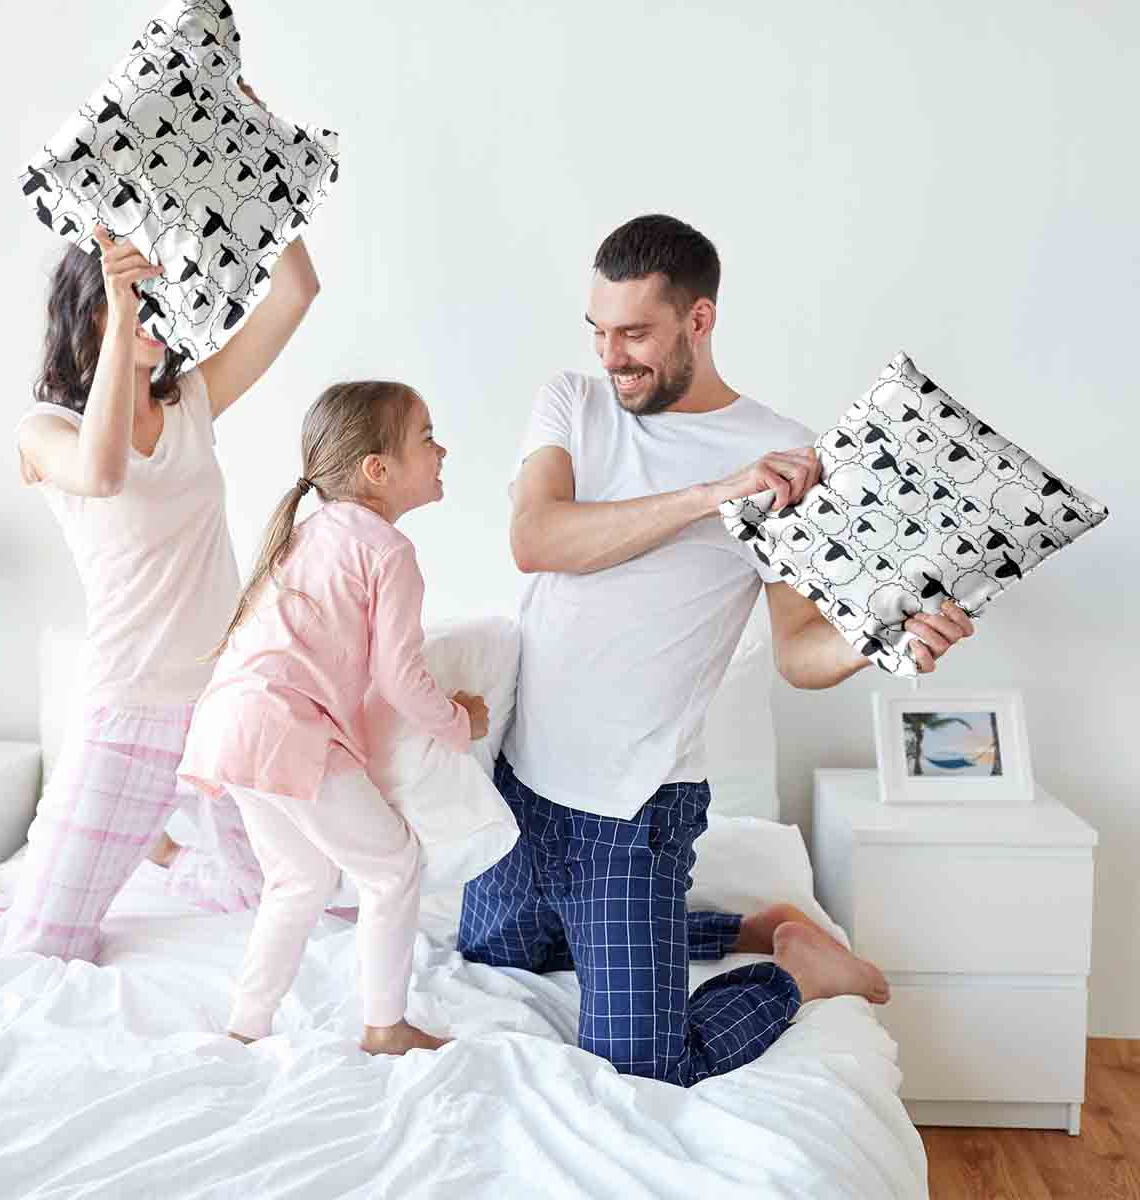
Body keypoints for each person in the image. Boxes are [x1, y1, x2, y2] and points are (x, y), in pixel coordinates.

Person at [458, 214, 975, 1086]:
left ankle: (798, 966)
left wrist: (879, 645)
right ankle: (746, 922)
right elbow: (537, 537)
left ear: (699, 322)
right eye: (599, 330)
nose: (611, 354)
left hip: (633, 812)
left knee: (645, 1063)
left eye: (635, 333)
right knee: (493, 946)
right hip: (525, 779)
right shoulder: (574, 402)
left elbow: (799, 653)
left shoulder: (780, 458)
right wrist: (710, 498)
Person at [0, 81, 320, 956]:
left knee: (273, 899)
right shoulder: (46, 432)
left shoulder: (190, 399)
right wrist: (121, 316)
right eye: (138, 295)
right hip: (129, 711)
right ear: (93, 306)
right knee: (43, 950)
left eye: (162, 294)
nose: (160, 311)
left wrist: (244, 137)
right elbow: (104, 476)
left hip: (225, 702)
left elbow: (298, 290)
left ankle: (164, 845)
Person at [178, 381, 489, 1056]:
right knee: (393, 866)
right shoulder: (386, 549)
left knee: (300, 878)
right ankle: (384, 1025)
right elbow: (400, 678)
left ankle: (245, 1025)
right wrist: (460, 722)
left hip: (229, 722)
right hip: (286, 730)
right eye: (428, 437)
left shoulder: (310, 533)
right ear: (378, 470)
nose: (443, 450)